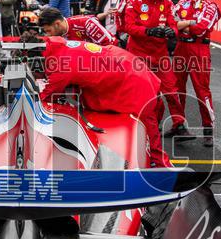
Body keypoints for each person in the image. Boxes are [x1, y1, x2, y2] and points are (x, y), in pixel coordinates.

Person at [38, 36, 169, 168]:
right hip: (122, 64)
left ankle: (162, 166)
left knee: (146, 128)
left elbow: (46, 96)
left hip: (129, 81)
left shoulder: (61, 68)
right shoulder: (53, 43)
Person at [119, 0, 186, 135]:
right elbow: (129, 27)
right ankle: (148, 124)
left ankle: (179, 124)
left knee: (171, 89)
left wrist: (173, 31)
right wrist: (147, 31)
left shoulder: (166, 1)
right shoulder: (134, 1)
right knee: (145, 93)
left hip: (160, 54)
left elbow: (173, 22)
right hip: (138, 54)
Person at [172, 0, 220, 146]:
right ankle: (179, 124)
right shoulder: (183, 2)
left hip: (199, 49)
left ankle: (208, 129)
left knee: (202, 91)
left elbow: (200, 29)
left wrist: (184, 25)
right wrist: (190, 23)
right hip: (180, 48)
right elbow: (171, 23)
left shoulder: (210, 5)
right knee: (177, 88)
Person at [38, 6, 115, 45]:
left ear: (57, 24)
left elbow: (110, 44)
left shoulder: (87, 23)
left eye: (49, 31)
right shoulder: (58, 35)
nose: (48, 35)